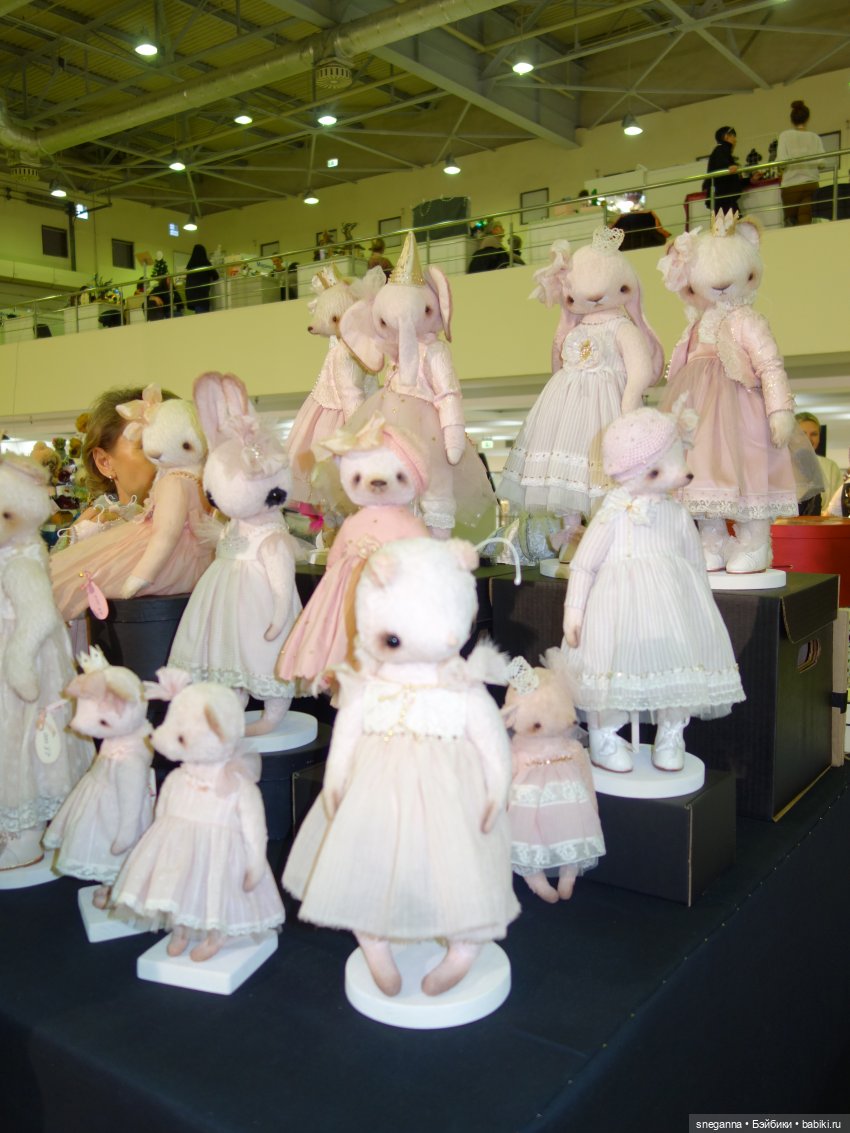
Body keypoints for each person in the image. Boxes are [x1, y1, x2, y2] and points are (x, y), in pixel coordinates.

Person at [777, 101, 825, 227]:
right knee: (805, 221)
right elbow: (821, 162)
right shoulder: (815, 137)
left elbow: (782, 162)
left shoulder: (785, 136)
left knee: (791, 223)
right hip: (811, 185)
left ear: (792, 120)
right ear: (807, 119)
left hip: (791, 186)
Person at [796, 411, 843, 515]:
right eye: (802, 434)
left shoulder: (830, 467)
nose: (808, 439)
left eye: (814, 434)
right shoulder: (781, 467)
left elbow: (838, 505)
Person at [703, 126, 756, 214]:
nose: (735, 140)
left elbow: (731, 180)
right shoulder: (720, 150)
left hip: (723, 201)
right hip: (724, 202)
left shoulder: (721, 152)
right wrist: (729, 167)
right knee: (734, 221)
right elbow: (726, 171)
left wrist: (750, 180)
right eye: (733, 136)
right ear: (726, 136)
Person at [183, 244, 219, 313]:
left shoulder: (190, 264)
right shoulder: (205, 263)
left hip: (191, 295)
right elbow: (216, 276)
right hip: (201, 295)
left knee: (198, 313)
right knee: (202, 314)